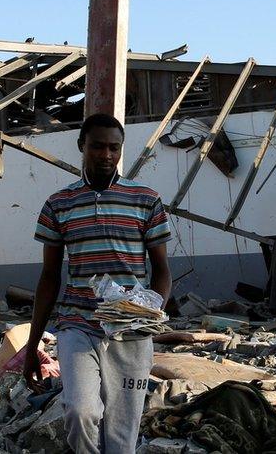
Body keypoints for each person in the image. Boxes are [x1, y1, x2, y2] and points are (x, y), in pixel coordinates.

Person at [23, 113, 172, 453]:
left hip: (131, 330)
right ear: (82, 146)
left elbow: (162, 269)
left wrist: (151, 311)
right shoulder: (58, 204)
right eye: (98, 146)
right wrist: (32, 345)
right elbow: (49, 277)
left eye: (114, 148)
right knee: (80, 410)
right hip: (78, 324)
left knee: (123, 432)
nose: (106, 155)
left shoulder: (145, 199)